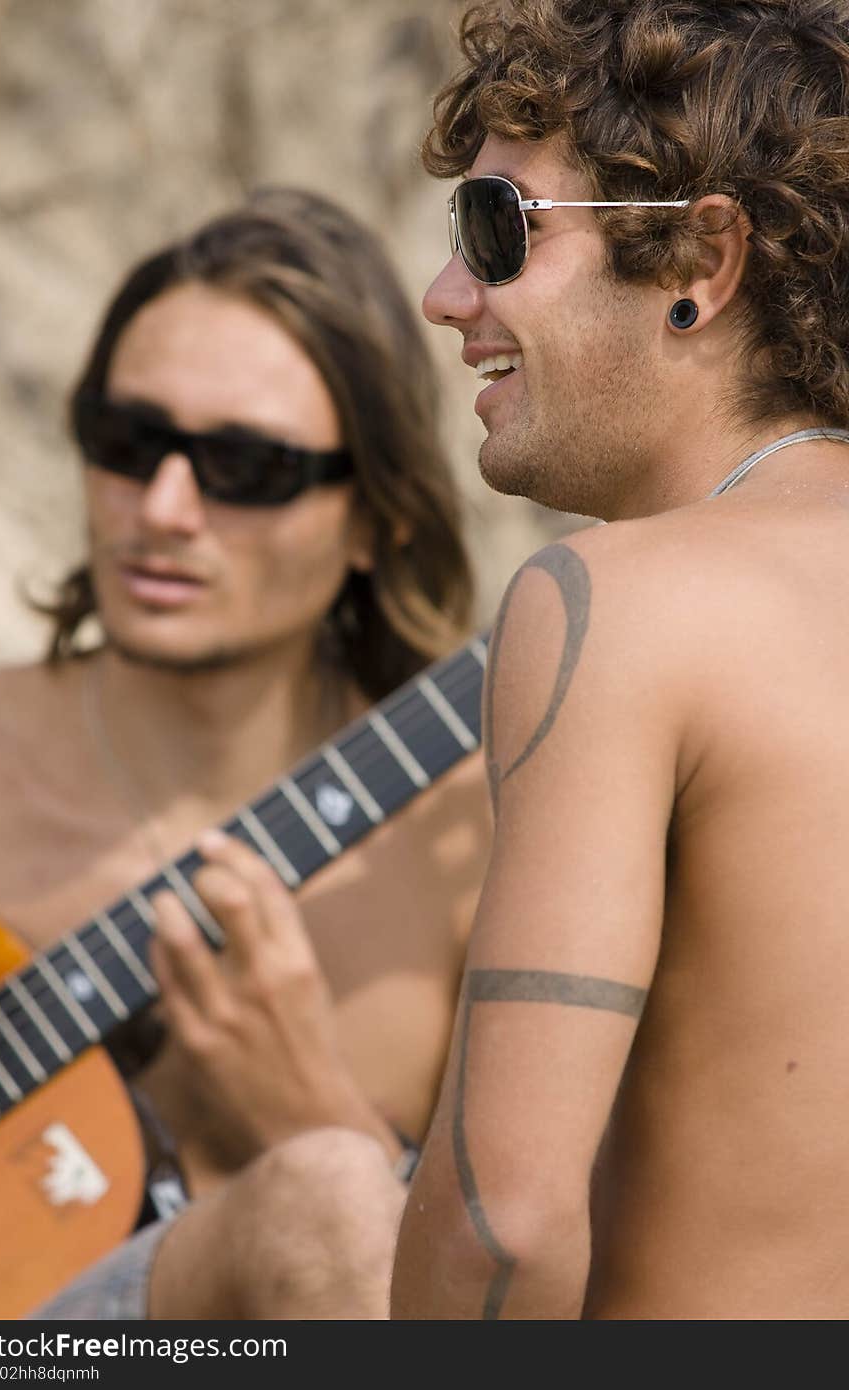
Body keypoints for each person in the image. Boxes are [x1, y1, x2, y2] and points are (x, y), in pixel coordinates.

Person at [390, 0, 849, 1319]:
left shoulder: (614, 606)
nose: (445, 297)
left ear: (703, 255)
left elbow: (504, 1225)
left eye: (499, 232)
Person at [0, 188, 491, 1318]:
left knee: (332, 1192)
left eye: (244, 467)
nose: (162, 506)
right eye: (127, 440)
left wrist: (323, 1120)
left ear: (377, 517)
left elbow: (545, 1296)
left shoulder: (476, 856)